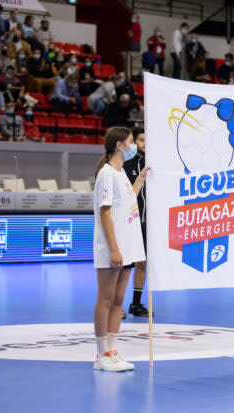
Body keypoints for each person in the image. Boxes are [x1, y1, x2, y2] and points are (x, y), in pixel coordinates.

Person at [92, 126, 149, 371]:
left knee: (118, 301)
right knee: (105, 300)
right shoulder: (106, 173)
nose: (133, 146)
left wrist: (141, 178)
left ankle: (113, 350)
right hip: (112, 247)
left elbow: (128, 202)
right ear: (119, 145)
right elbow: (105, 213)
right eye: (130, 142)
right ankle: (100, 355)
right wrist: (114, 249)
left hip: (128, 247)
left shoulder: (121, 172)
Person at [122, 127, 152, 317]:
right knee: (124, 266)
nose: (144, 144)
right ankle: (116, 306)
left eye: (146, 140)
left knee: (142, 265)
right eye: (140, 140)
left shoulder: (156, 166)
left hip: (147, 225)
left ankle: (135, 304)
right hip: (129, 223)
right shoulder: (125, 165)